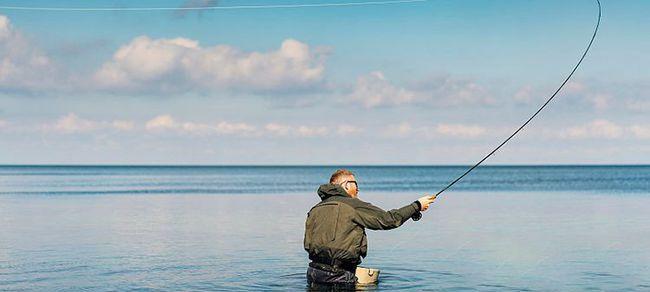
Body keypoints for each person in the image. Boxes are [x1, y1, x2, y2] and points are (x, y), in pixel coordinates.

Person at [303, 169, 437, 288]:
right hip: (339, 276)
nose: (358, 189)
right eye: (356, 184)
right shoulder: (352, 205)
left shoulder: (315, 209)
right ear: (346, 185)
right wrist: (417, 205)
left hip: (313, 273)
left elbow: (308, 244)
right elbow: (388, 220)